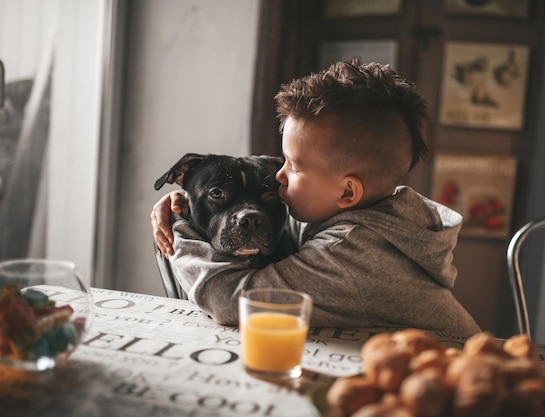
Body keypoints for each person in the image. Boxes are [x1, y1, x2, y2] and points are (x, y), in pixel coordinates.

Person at [151, 60, 481, 336]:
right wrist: (191, 203)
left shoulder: (351, 251)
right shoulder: (380, 216)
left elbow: (230, 301)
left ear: (348, 192)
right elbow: (293, 231)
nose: (279, 176)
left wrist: (183, 228)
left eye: (293, 167)